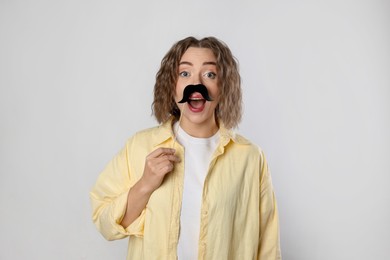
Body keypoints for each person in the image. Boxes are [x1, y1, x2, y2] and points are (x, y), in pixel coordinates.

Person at [90, 36, 281, 259]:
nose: (196, 83)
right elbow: (105, 223)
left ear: (223, 87)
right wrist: (145, 185)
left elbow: (267, 245)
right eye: (185, 73)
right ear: (172, 86)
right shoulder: (139, 146)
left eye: (210, 74)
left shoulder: (250, 157)